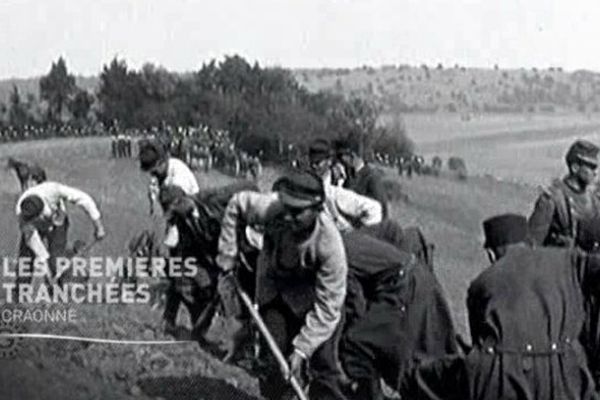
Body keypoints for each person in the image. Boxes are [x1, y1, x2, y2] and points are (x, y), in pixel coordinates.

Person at [400, 213, 600, 400]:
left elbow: (481, 340)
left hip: (498, 376)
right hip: (562, 372)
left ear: (491, 254)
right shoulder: (569, 260)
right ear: (530, 242)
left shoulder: (481, 284)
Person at [216, 171, 348, 400]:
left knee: (322, 365)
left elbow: (328, 307)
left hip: (311, 300)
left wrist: (301, 349)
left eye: (297, 212)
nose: (288, 217)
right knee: (272, 360)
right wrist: (228, 253)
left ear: (317, 210)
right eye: (286, 208)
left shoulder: (330, 246)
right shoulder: (272, 208)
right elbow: (236, 204)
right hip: (273, 288)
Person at [340, 231, 458, 400]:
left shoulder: (335, 255)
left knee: (355, 343)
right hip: (412, 278)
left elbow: (356, 304)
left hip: (402, 286)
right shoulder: (348, 237)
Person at [15, 167, 106, 295]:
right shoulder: (22, 213)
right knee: (25, 260)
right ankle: (18, 296)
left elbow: (83, 199)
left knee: (56, 260)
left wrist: (98, 226)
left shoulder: (53, 189)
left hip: (58, 221)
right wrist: (46, 271)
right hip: (35, 229)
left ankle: (58, 291)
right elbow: (36, 246)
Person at [528, 139, 600, 247]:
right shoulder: (552, 199)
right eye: (591, 167)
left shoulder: (595, 203)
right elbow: (533, 244)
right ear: (575, 168)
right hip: (558, 261)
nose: (595, 173)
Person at [334, 137, 388, 218]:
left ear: (352, 156)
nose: (341, 160)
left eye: (342, 156)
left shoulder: (372, 177)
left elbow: (382, 209)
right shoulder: (347, 176)